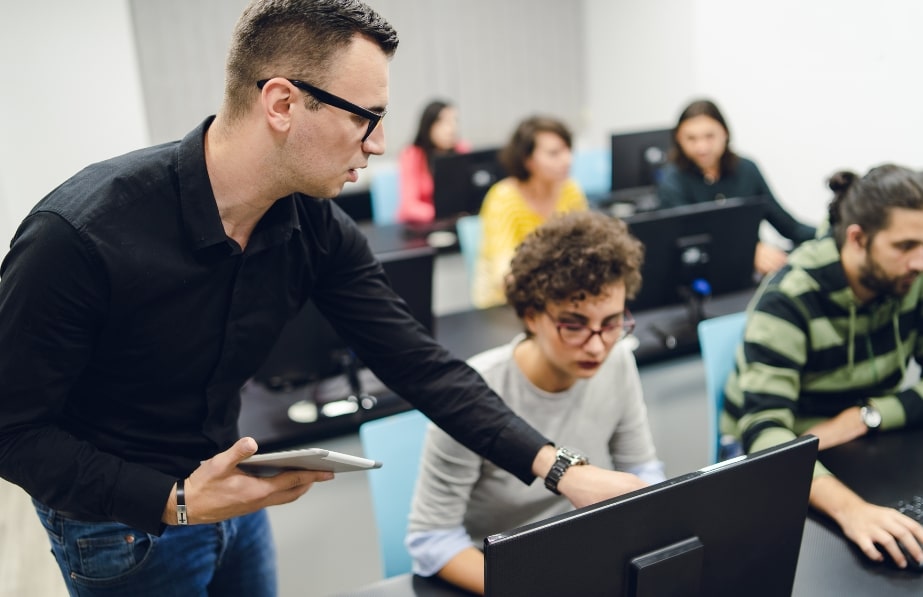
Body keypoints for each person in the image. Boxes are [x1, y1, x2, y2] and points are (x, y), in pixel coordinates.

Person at [0, 2, 646, 595]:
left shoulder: (312, 225)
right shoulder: (81, 233)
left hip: (232, 490)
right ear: (281, 103)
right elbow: (12, 428)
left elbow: (417, 362)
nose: (378, 144)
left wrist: (559, 469)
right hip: (122, 521)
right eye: (363, 117)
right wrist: (173, 499)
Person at [407, 211, 665, 594]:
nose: (597, 345)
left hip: (579, 559)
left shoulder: (619, 361)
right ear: (531, 314)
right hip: (498, 572)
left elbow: (642, 469)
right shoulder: (471, 395)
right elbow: (432, 541)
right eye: (574, 325)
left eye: (612, 323)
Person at [722, 164, 923, 569]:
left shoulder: (909, 279)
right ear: (857, 239)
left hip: (863, 445)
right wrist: (851, 510)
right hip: (783, 453)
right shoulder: (789, 299)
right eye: (904, 246)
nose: (919, 261)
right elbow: (764, 435)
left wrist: (868, 415)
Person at [657, 99, 816, 275]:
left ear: (725, 134)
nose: (701, 147)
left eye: (709, 136)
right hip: (703, 276)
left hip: (751, 274)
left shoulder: (746, 169)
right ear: (678, 139)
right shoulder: (672, 180)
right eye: (691, 138)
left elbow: (789, 226)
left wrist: (834, 232)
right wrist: (749, 251)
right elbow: (693, 237)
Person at [472, 115, 588, 308]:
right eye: (554, 153)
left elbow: (585, 249)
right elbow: (505, 275)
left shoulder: (571, 191)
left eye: (568, 149)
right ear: (528, 161)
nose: (567, 159)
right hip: (506, 304)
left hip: (559, 299)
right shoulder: (503, 198)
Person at [396, 99, 471, 224]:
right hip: (423, 225)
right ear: (428, 126)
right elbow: (409, 206)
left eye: (455, 121)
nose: (451, 129)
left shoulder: (462, 149)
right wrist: (444, 213)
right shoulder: (412, 154)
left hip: (456, 222)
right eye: (443, 122)